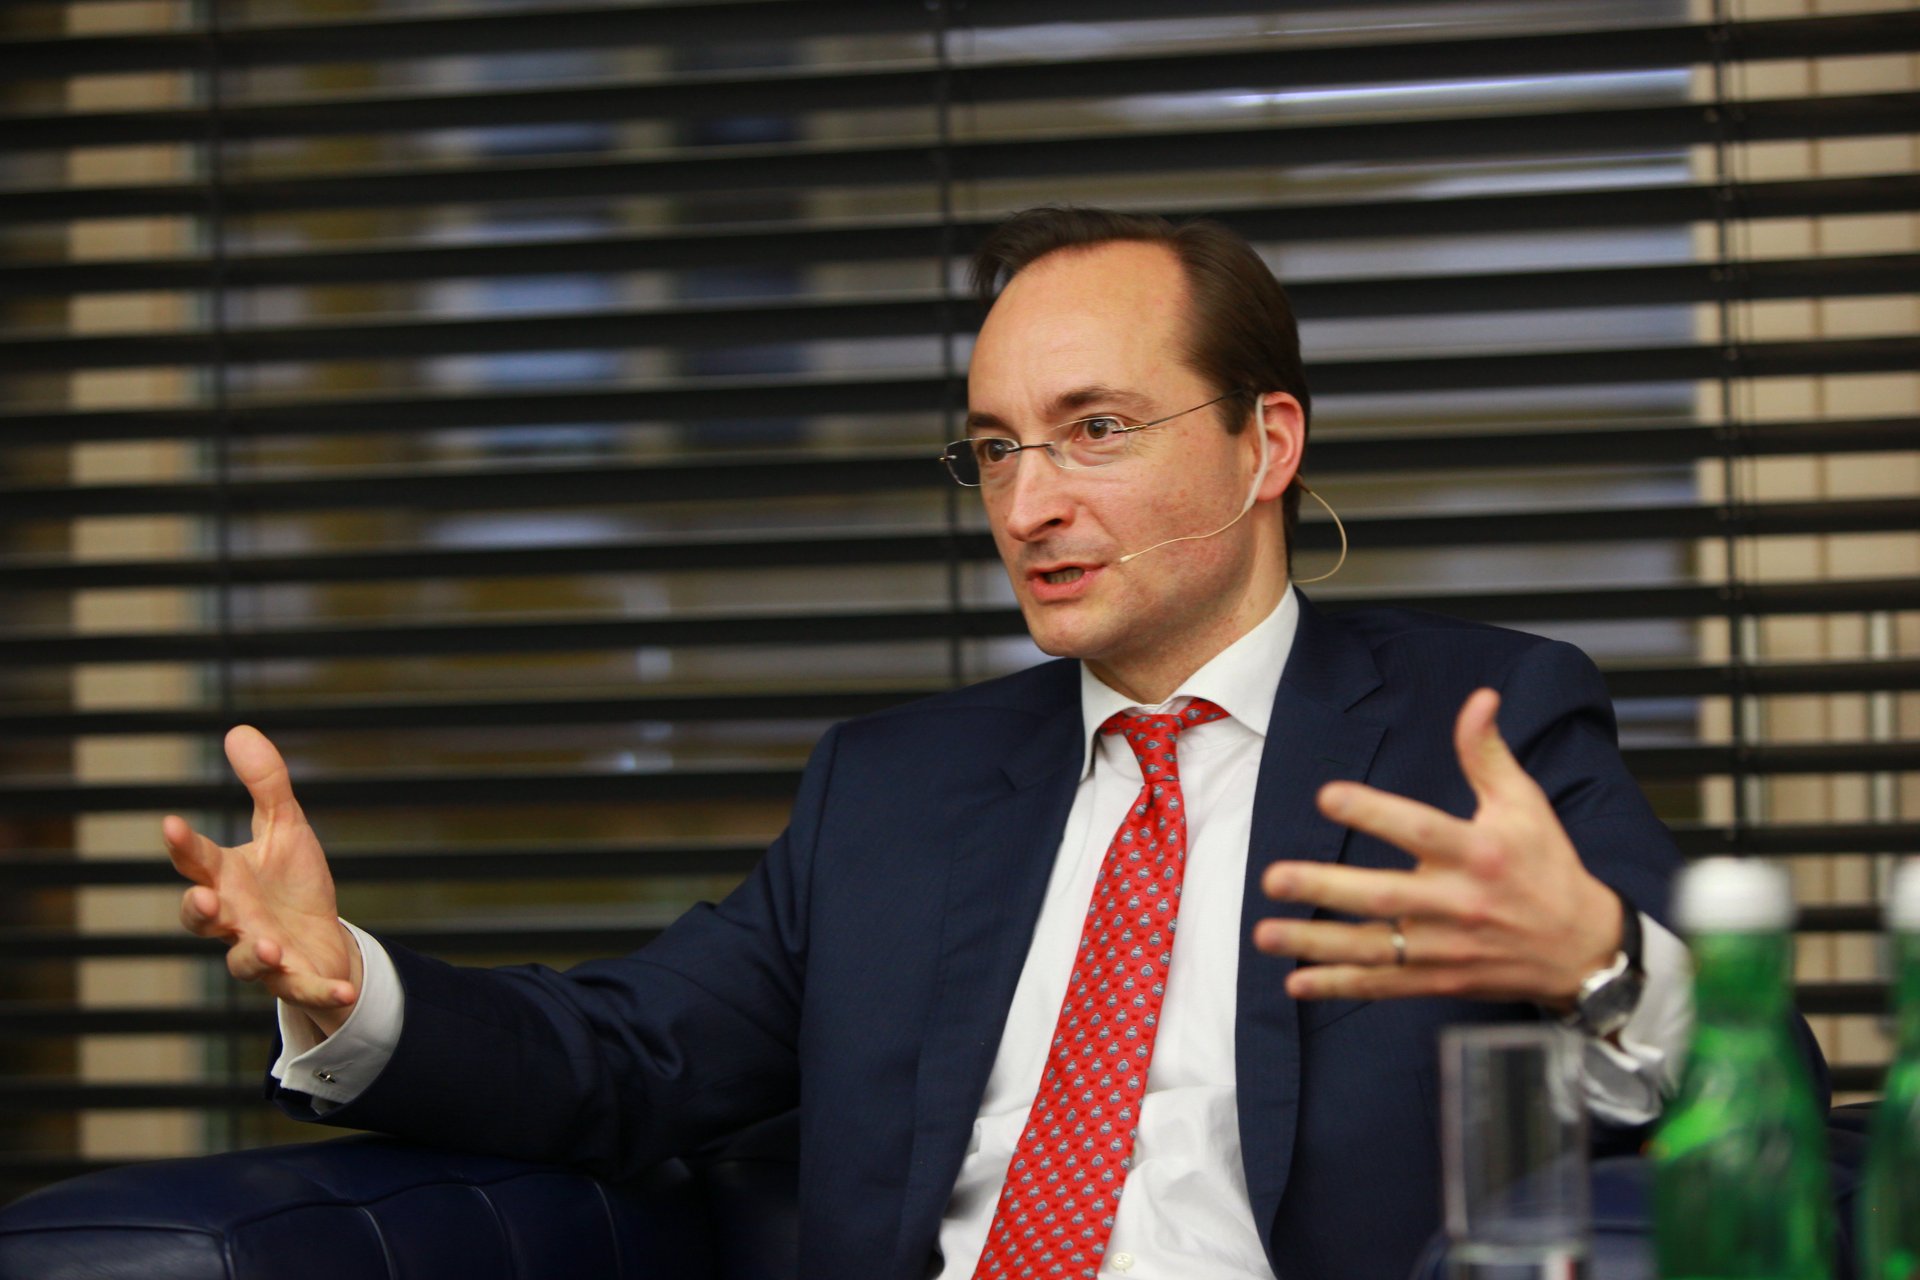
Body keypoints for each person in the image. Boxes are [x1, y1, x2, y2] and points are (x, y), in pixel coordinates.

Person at [167, 206, 1713, 1280]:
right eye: (993, 449)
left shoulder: (1475, 730)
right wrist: (348, 985)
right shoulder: (892, 793)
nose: (1027, 505)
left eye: (1096, 430)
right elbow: (632, 1056)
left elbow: (1751, 1076)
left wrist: (1597, 961)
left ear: (1267, 445)